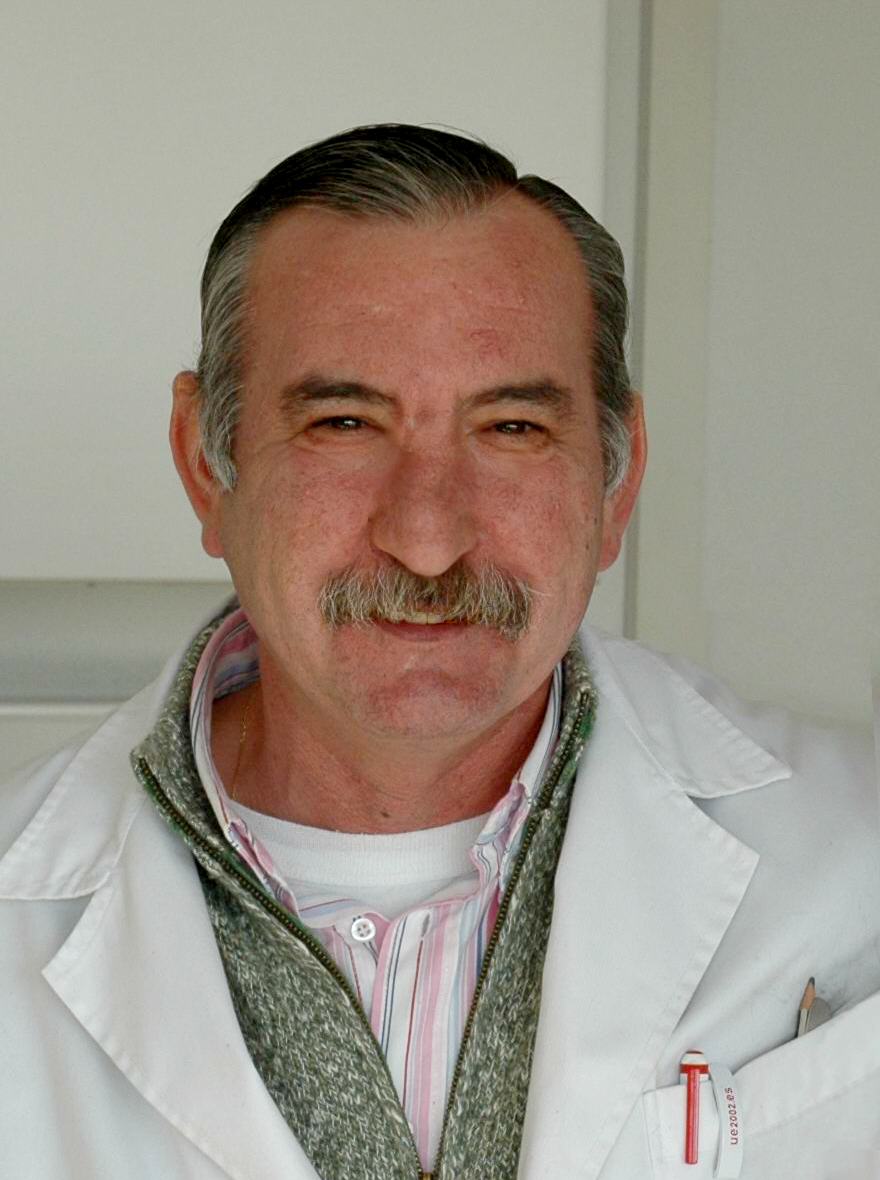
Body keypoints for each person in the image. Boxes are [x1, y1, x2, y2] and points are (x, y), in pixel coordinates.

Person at [1, 124, 878, 1180]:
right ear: (205, 465)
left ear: (617, 479)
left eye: (511, 428)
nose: (427, 537)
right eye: (343, 423)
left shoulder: (854, 861)